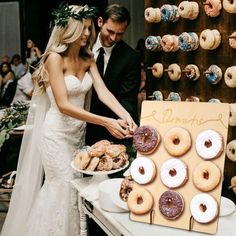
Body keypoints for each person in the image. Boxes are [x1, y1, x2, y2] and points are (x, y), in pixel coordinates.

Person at [1, 4, 137, 236]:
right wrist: (106, 122)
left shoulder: (87, 58)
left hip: (77, 136)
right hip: (56, 135)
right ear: (69, 29)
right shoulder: (55, 58)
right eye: (82, 28)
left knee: (74, 192)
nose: (87, 33)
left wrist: (127, 117)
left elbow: (104, 93)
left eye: (88, 28)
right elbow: (63, 105)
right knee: (62, 187)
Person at [85, 4, 141, 146]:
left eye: (120, 34)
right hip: (78, 122)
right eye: (110, 31)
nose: (113, 37)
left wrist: (123, 121)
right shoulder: (82, 47)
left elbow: (128, 98)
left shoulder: (131, 57)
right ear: (100, 22)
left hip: (111, 129)